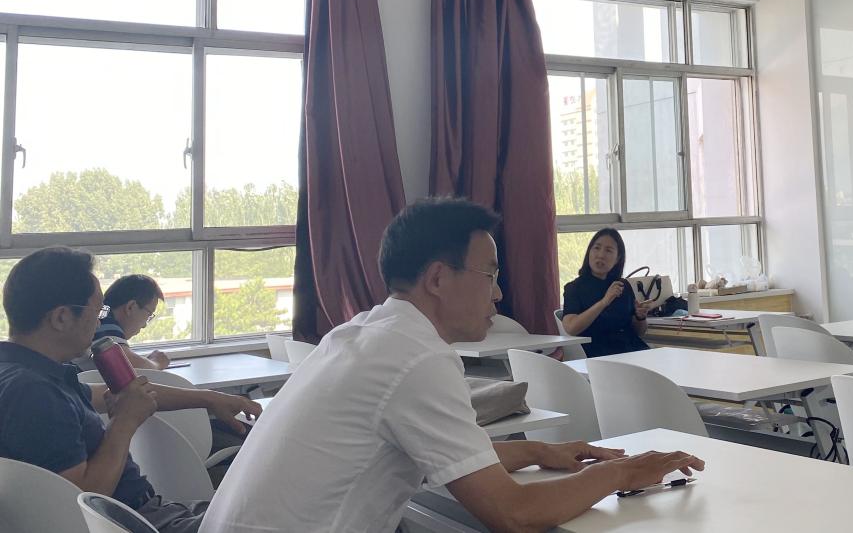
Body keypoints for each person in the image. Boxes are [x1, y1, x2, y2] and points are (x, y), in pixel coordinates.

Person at [200, 198, 704, 533]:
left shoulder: (364, 334)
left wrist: (540, 451)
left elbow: (450, 452)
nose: (499, 294)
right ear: (439, 279)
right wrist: (623, 472)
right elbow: (514, 514)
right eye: (490, 275)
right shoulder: (416, 358)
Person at [0, 246, 262, 533]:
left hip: (147, 513)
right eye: (97, 311)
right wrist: (124, 422)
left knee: (263, 509)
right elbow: (79, 504)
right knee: (277, 516)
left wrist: (208, 398)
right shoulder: (35, 394)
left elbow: (115, 393)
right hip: (130, 522)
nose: (99, 321)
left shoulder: (22, 373)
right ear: (61, 317)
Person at [561, 228, 655, 358]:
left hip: (631, 350)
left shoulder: (623, 286)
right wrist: (604, 302)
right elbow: (571, 328)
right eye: (596, 248)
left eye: (608, 250)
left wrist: (640, 317)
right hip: (599, 354)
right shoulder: (574, 288)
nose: (600, 255)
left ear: (617, 259)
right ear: (589, 252)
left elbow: (640, 332)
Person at [75, 274, 170, 371]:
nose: (144, 325)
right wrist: (157, 363)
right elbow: (127, 365)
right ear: (130, 307)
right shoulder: (104, 324)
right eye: (149, 314)